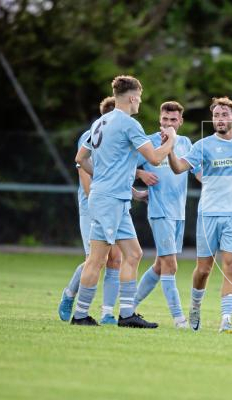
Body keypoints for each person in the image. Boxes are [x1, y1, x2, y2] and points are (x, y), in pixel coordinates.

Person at [72, 75, 177, 327]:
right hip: (109, 200)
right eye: (139, 98)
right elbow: (153, 158)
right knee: (97, 259)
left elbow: (81, 157)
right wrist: (171, 139)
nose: (140, 102)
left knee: (133, 253)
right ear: (131, 98)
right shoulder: (129, 123)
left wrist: (104, 177)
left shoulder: (100, 122)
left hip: (114, 198)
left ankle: (127, 315)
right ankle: (80, 315)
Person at [168, 96, 232, 334]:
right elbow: (179, 168)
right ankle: (195, 306)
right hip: (209, 214)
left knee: (231, 266)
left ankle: (226, 319)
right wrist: (169, 150)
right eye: (216, 116)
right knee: (204, 270)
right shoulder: (202, 146)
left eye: (224, 115)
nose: (220, 119)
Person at [58, 97, 123, 325]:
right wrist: (96, 206)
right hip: (93, 206)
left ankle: (107, 313)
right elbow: (85, 174)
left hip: (114, 204)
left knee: (116, 258)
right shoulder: (90, 136)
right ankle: (69, 295)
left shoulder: (119, 139)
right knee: (95, 258)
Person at [132, 101, 193, 329]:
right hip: (159, 211)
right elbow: (121, 168)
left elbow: (199, 172)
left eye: (173, 120)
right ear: (160, 119)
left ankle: (128, 307)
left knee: (160, 265)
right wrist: (140, 174)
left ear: (180, 122)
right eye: (165, 119)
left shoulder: (186, 143)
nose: (168, 124)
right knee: (171, 265)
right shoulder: (147, 143)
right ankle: (179, 320)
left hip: (179, 213)